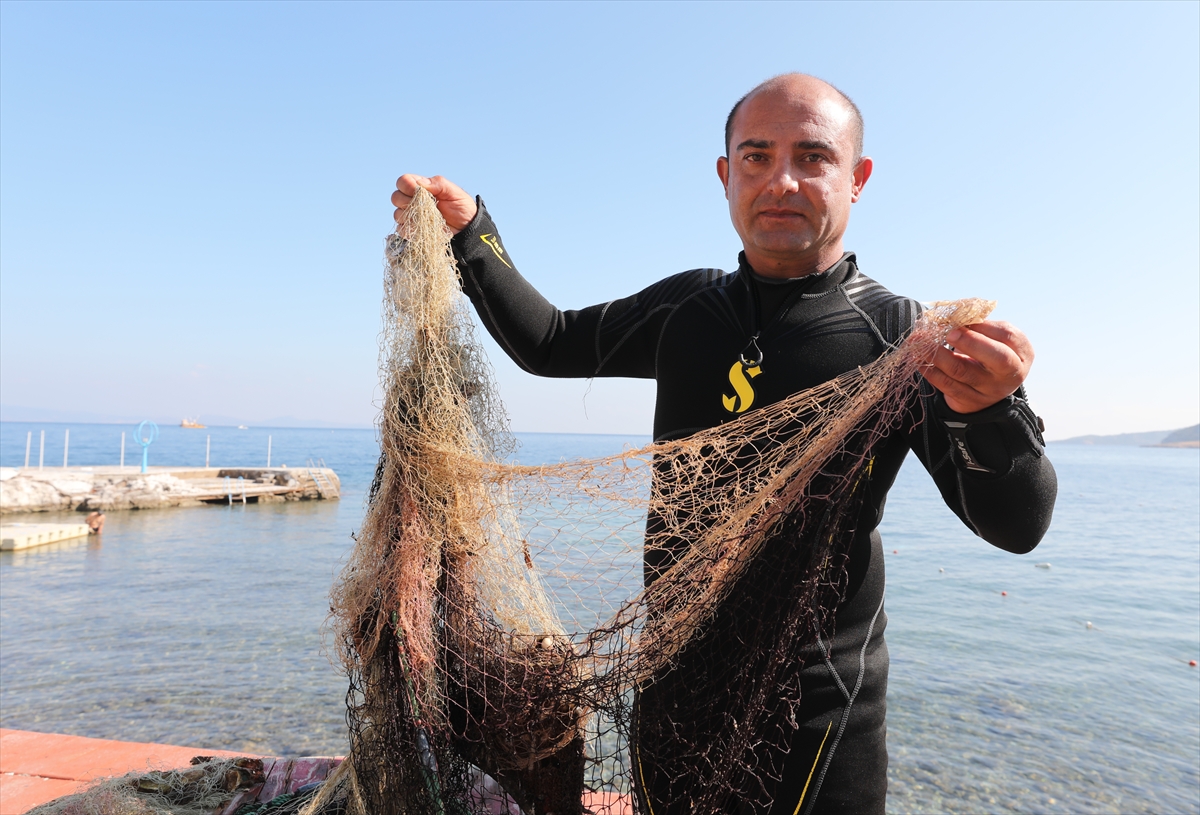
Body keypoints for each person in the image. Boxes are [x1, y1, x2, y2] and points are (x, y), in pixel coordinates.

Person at [391, 73, 1057, 815]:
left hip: (818, 719)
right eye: (756, 156)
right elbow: (547, 340)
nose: (782, 180)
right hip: (673, 694)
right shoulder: (688, 308)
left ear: (857, 178)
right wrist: (470, 232)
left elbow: (1017, 524)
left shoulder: (901, 339)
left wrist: (993, 411)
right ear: (725, 174)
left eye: (814, 156)